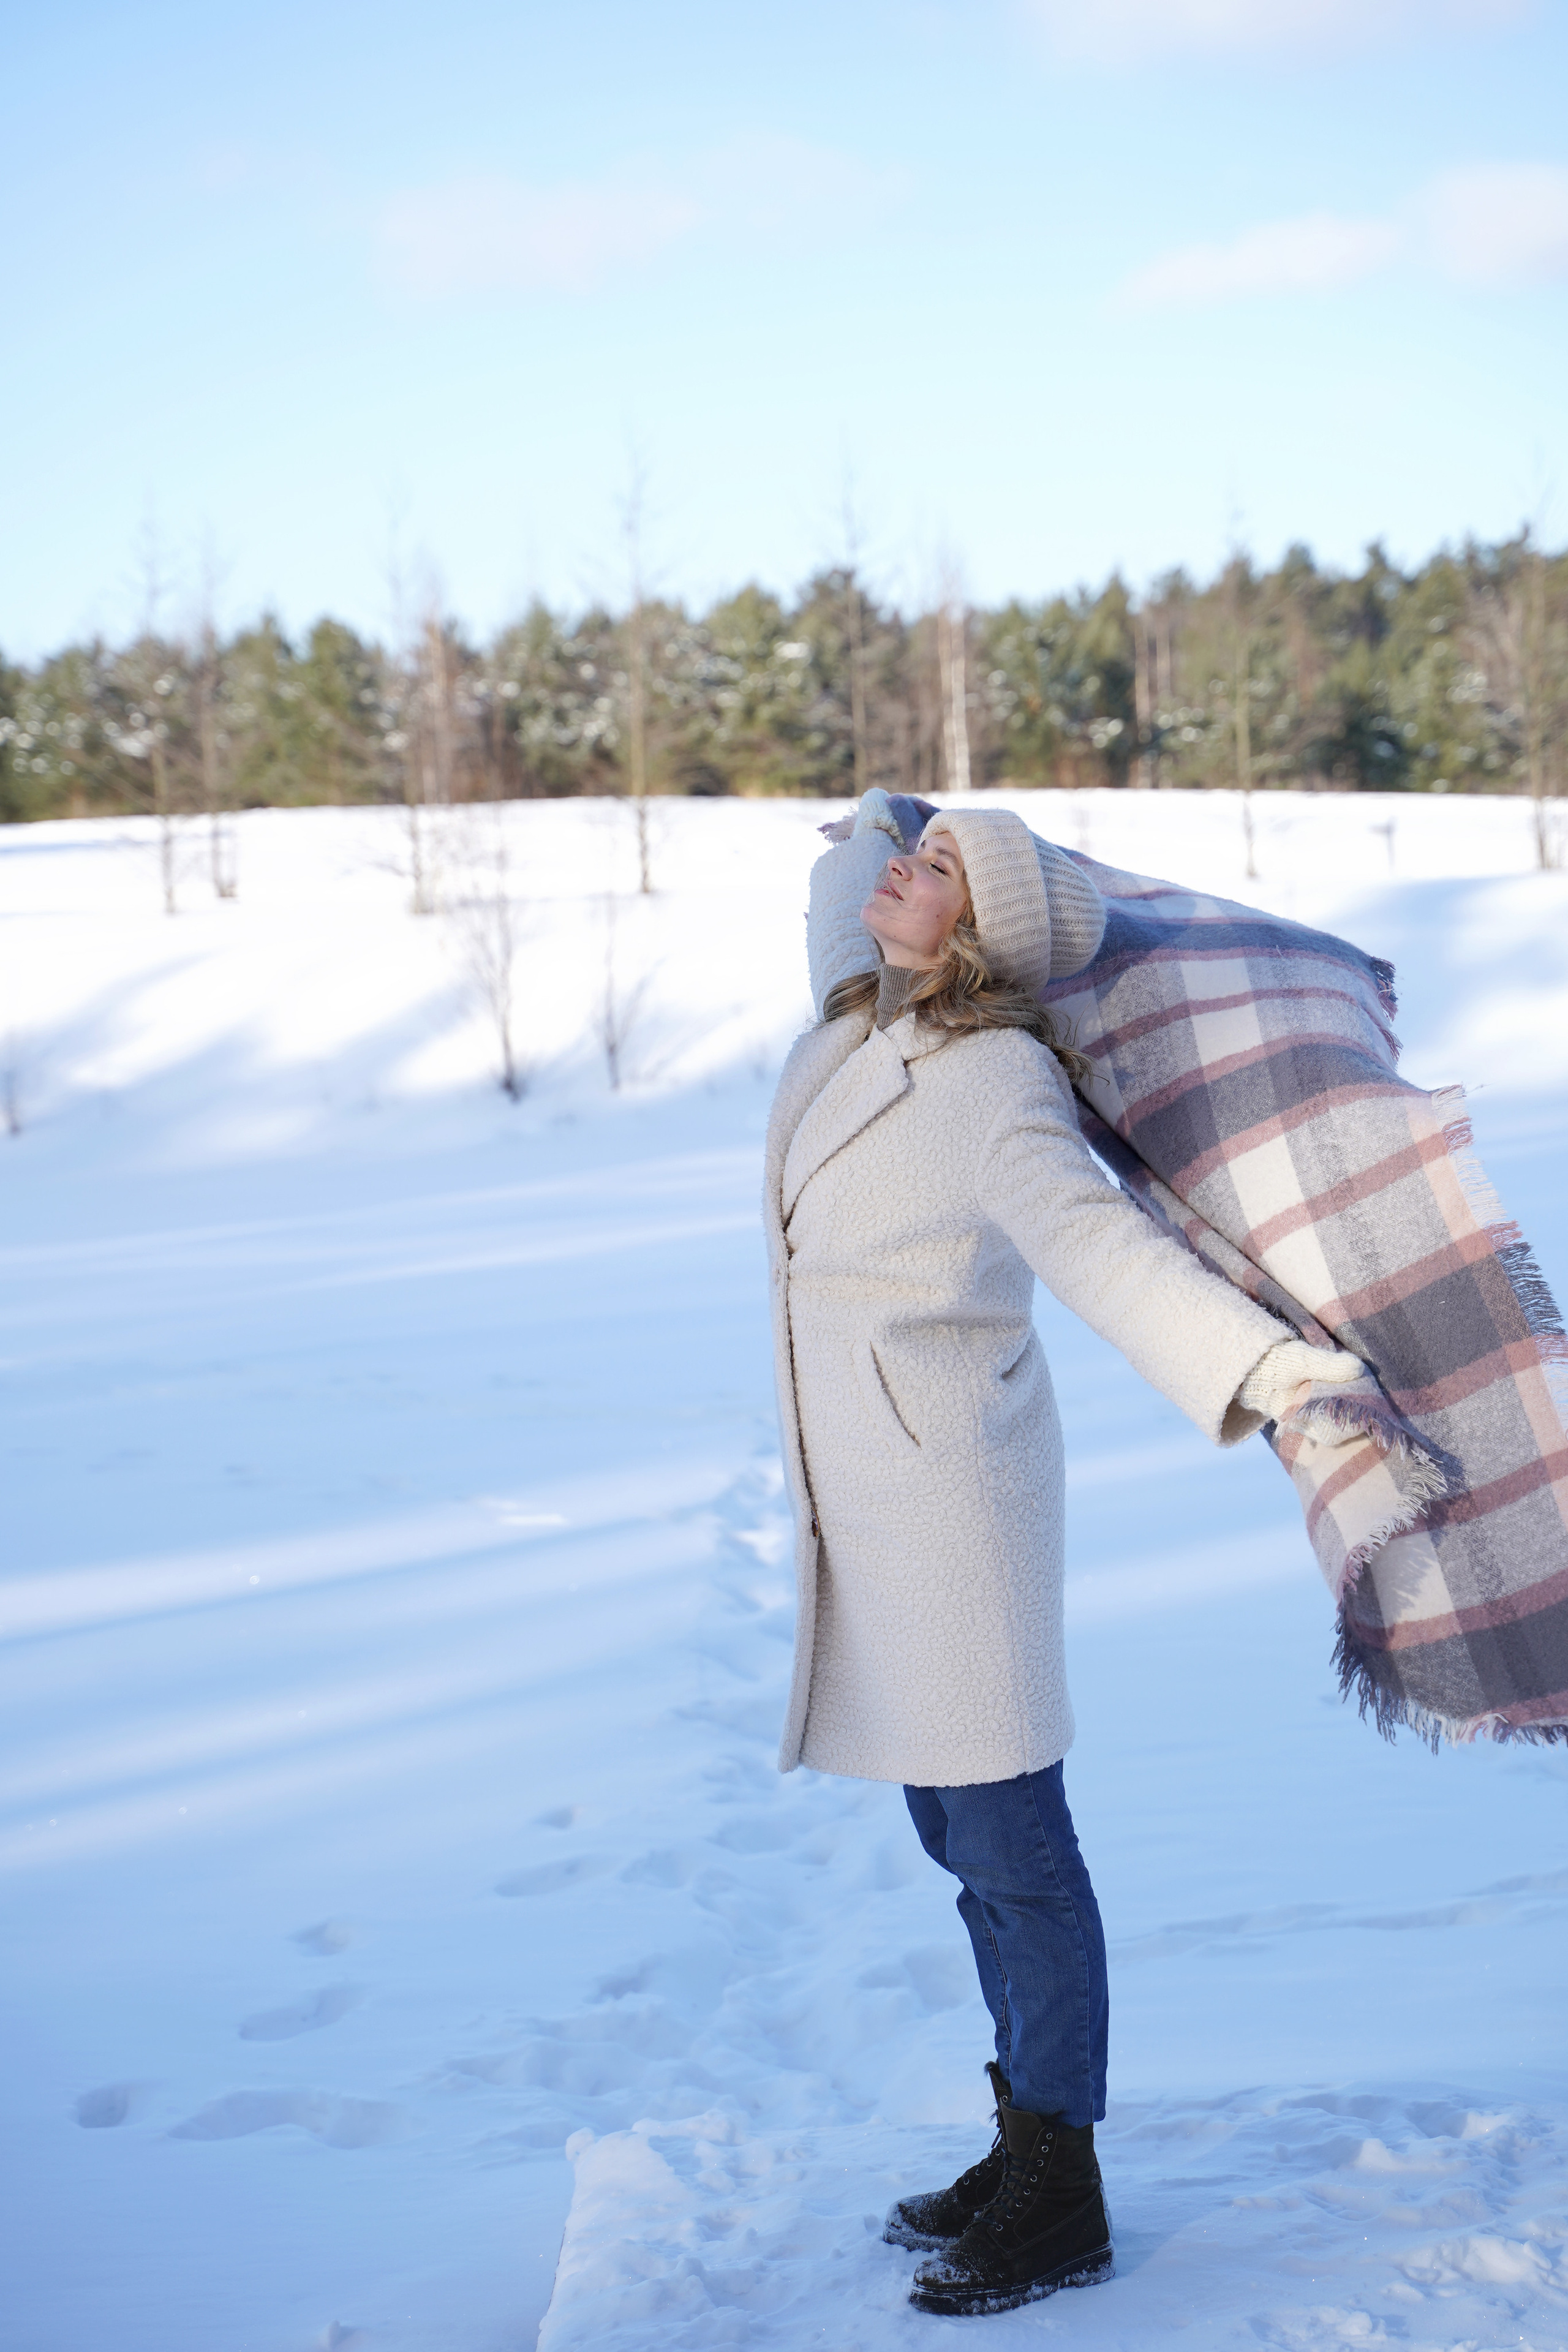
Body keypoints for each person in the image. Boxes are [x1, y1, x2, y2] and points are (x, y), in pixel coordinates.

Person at [762, 790, 1362, 2320]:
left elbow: (1099, 1250)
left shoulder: (991, 1076)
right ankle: (1020, 2134)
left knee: (1017, 1858)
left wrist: (1256, 1371)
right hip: (872, 1504)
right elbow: (850, 901)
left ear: (981, 929)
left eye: (937, 868)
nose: (902, 875)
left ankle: (1060, 2190)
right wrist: (880, 823)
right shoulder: (857, 1023)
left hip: (952, 1506)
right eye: (911, 855)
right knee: (959, 1850)